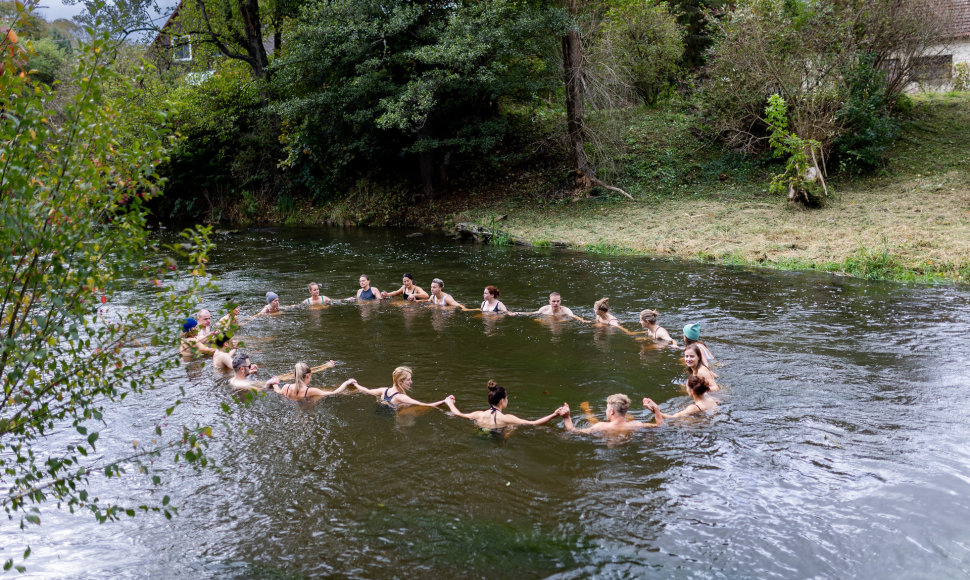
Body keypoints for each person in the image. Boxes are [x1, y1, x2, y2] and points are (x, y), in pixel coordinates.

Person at [443, 381, 564, 429]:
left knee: (511, 428)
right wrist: (554, 414)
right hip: (496, 441)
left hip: (480, 436)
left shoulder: (478, 414)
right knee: (512, 428)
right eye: (507, 398)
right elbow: (533, 423)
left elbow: (458, 414)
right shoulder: (507, 418)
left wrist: (449, 402)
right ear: (502, 401)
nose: (507, 400)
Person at [351, 366, 447, 408]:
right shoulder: (401, 397)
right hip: (389, 421)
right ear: (400, 381)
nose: (411, 382)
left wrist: (355, 384)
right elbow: (423, 404)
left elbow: (367, 390)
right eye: (408, 380)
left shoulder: (384, 390)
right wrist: (444, 401)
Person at [561, 394, 664, 433]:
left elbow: (573, 431)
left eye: (607, 408)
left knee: (594, 422)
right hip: (626, 447)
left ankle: (587, 410)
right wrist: (656, 409)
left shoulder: (600, 426)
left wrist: (567, 417)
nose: (606, 411)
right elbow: (660, 426)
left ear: (612, 411)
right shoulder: (636, 425)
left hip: (608, 447)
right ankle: (587, 410)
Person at [274, 362, 357, 400]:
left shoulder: (286, 387)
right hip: (306, 412)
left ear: (295, 375)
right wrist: (346, 383)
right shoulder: (311, 391)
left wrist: (274, 383)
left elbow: (278, 391)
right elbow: (334, 393)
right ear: (307, 376)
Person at [510, 292, 581, 320]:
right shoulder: (544, 309)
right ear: (549, 301)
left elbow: (573, 316)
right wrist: (517, 313)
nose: (556, 303)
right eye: (553, 301)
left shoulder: (565, 310)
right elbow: (532, 313)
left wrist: (583, 320)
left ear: (560, 301)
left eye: (558, 301)